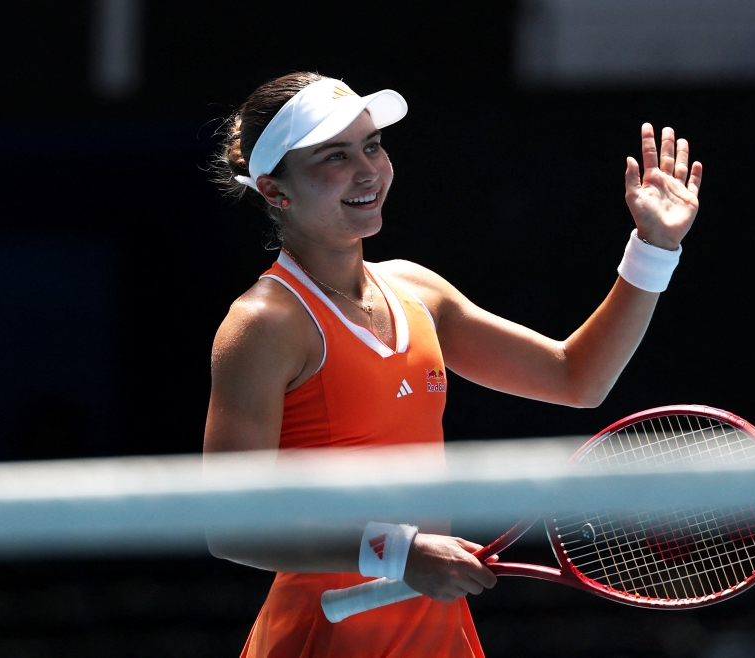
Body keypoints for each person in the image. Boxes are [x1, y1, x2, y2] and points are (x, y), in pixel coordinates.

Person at [203, 72, 702, 658]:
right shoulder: (264, 323)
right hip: (326, 637)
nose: (368, 170)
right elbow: (230, 527)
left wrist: (653, 248)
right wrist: (400, 552)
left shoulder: (419, 293)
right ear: (274, 190)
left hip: (436, 628)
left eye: (372, 145)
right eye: (335, 156)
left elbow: (578, 377)